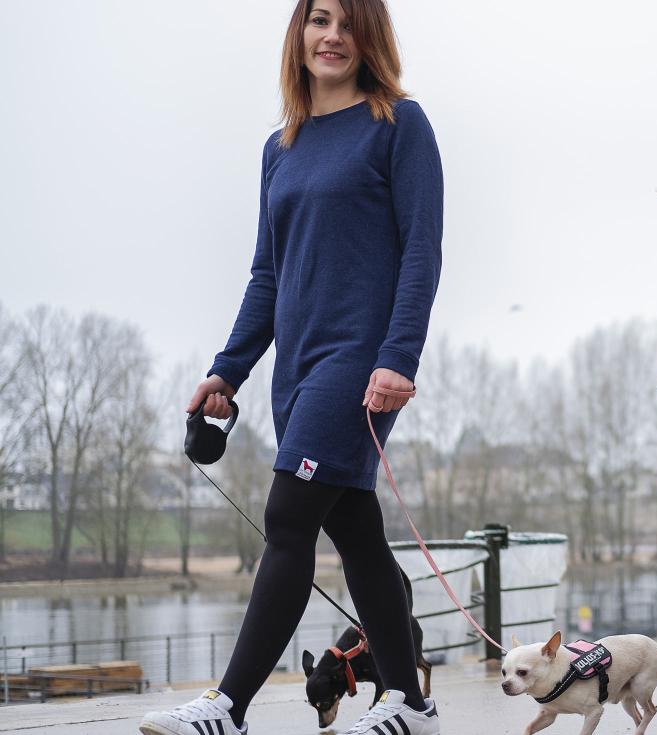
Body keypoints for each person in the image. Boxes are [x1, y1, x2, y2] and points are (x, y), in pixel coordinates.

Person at [139, 1, 442, 733]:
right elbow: (267, 273)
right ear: (299, 33)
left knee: (287, 515)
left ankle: (227, 707)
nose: (332, 35)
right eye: (318, 19)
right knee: (356, 529)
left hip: (361, 363)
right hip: (298, 368)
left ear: (370, 37)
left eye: (347, 22)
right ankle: (412, 702)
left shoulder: (398, 124)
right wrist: (228, 370)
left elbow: (421, 251)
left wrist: (398, 357)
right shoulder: (282, 146)